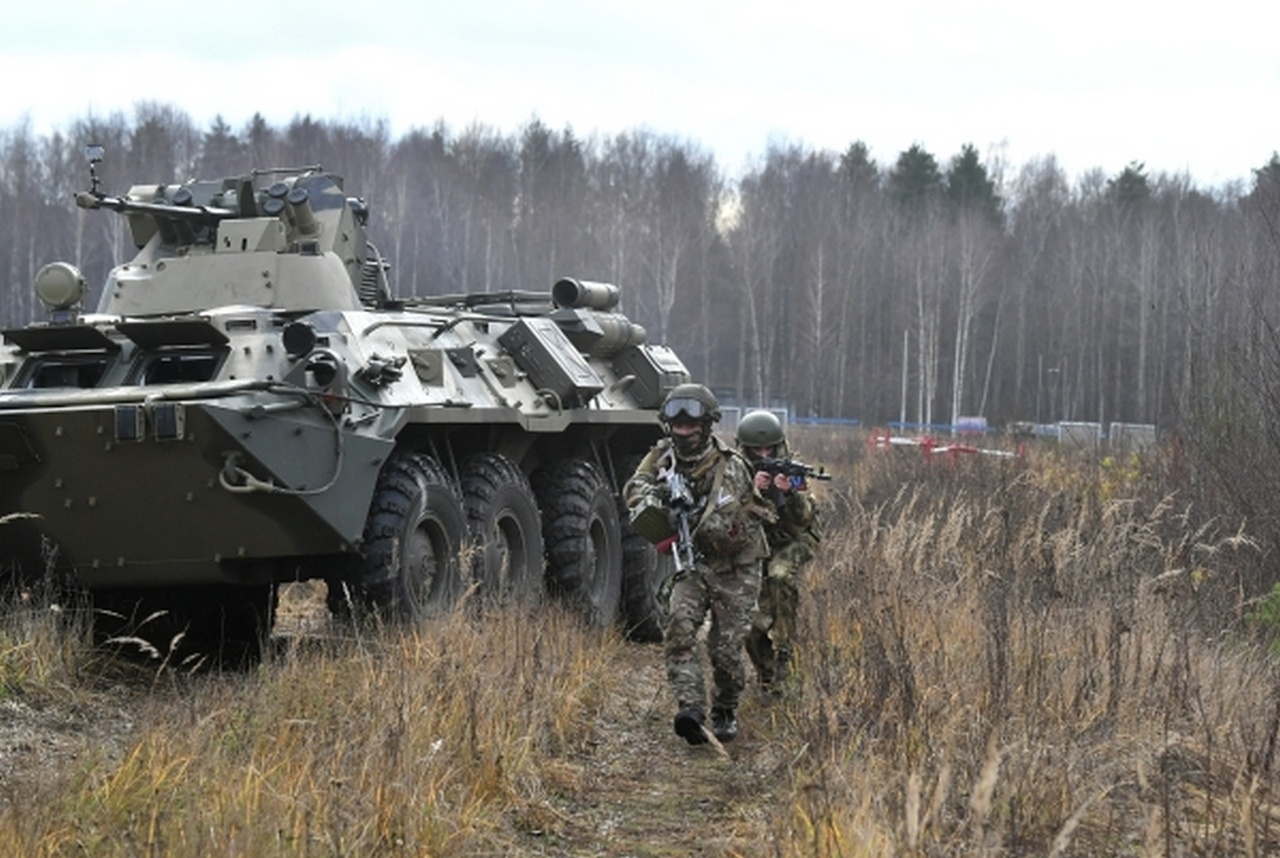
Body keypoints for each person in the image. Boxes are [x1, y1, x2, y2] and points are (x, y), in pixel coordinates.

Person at [625, 384, 771, 745]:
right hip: (694, 563)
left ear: (706, 425)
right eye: (678, 426)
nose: (683, 432)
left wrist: (697, 517)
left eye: (692, 426)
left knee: (725, 650)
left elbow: (736, 531)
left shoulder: (731, 466)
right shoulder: (662, 458)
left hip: (736, 564)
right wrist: (656, 503)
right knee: (678, 628)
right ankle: (691, 709)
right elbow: (635, 488)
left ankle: (725, 707)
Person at [736, 409, 823, 694]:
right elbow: (726, 514)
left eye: (768, 448)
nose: (763, 454)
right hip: (752, 542)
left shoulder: (791, 468)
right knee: (749, 609)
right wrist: (751, 491)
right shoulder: (735, 469)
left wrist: (789, 494)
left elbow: (805, 518)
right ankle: (765, 673)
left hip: (793, 539)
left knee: (780, 575)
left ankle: (784, 651)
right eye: (756, 449)